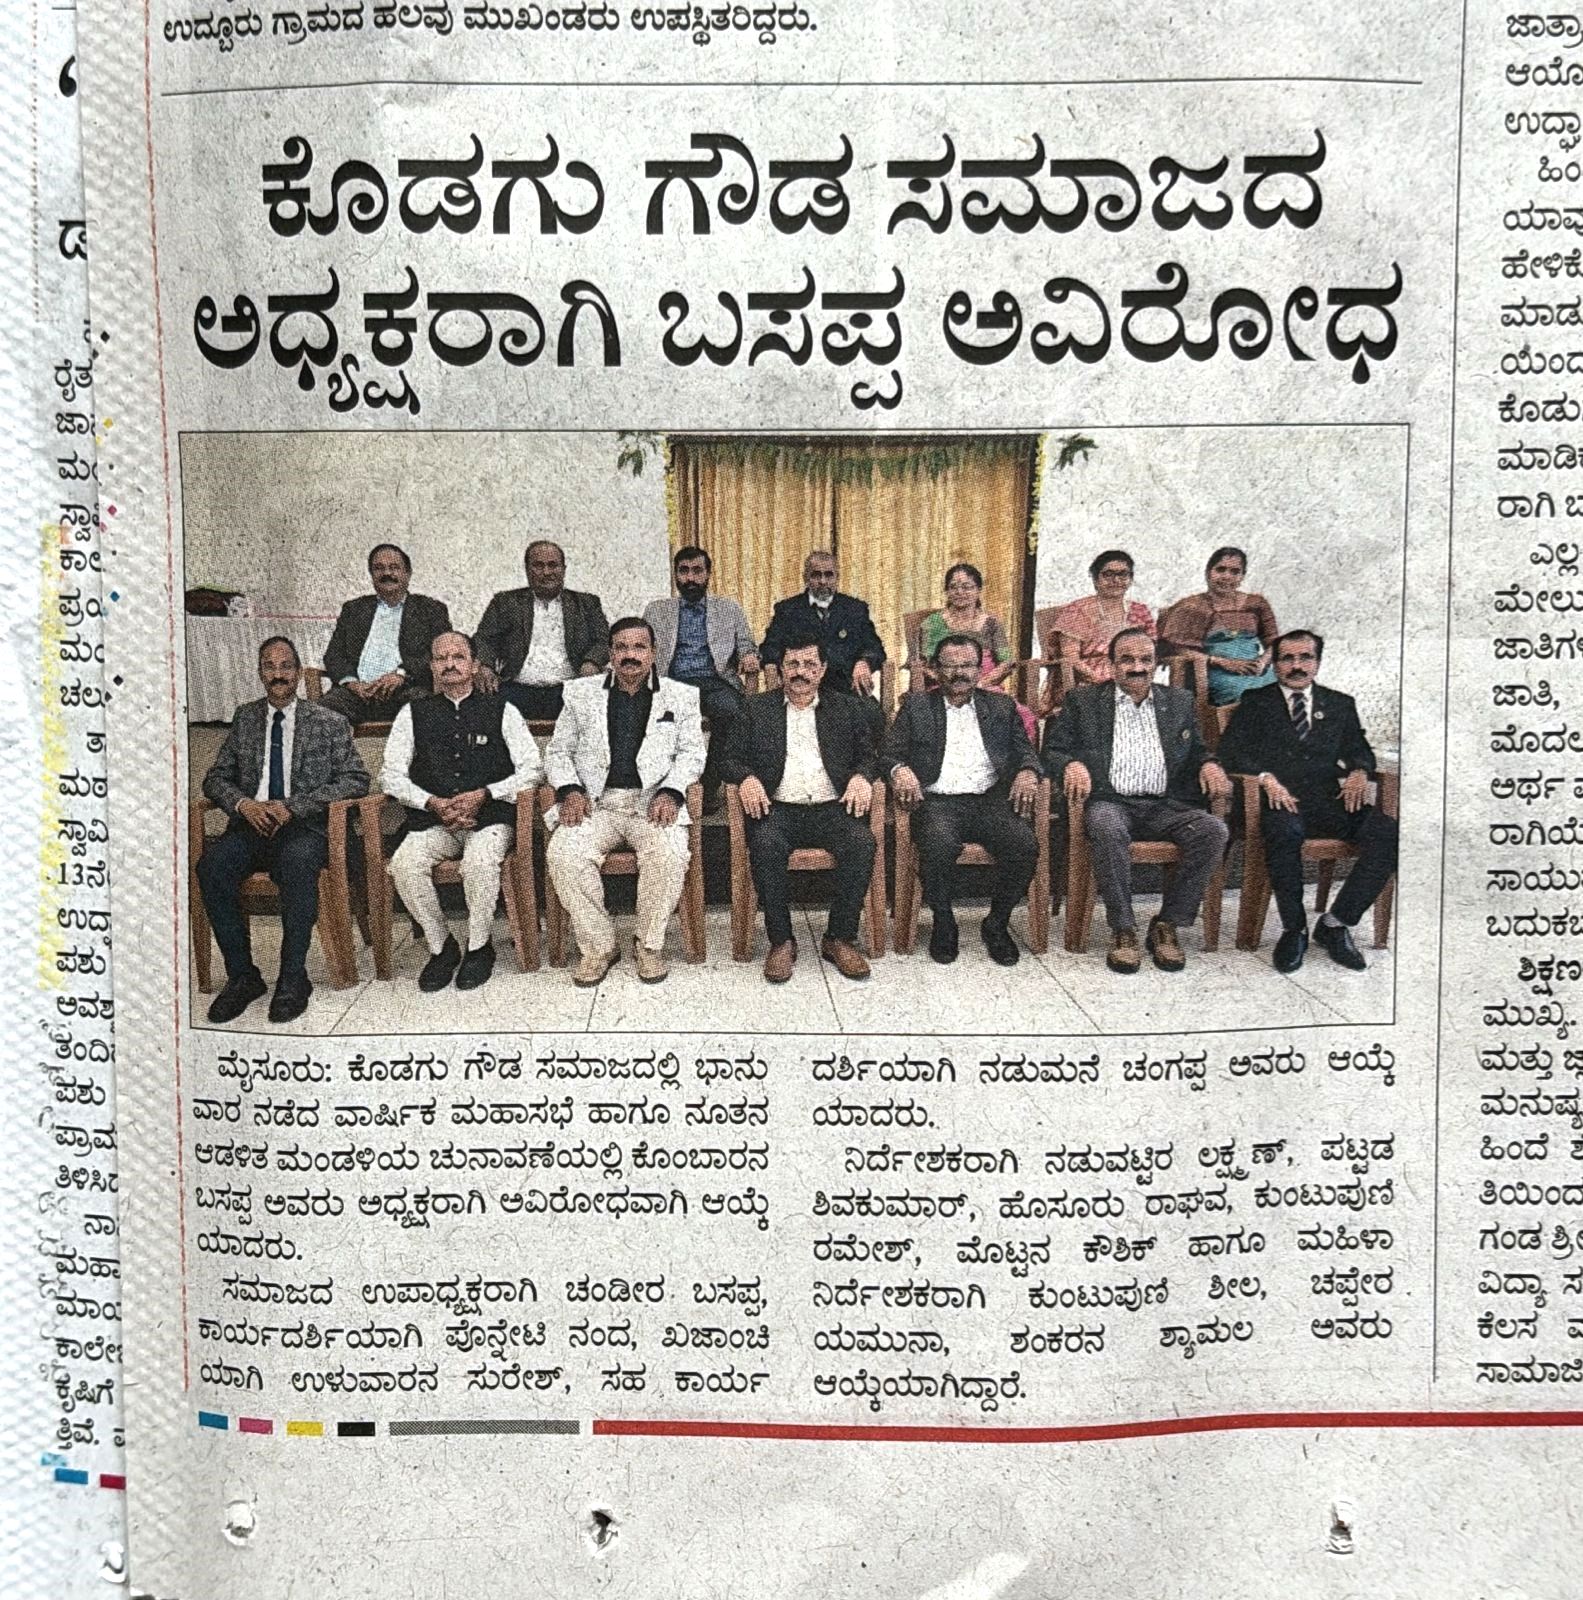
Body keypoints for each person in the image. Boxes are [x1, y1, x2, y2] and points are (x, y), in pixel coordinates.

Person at [196, 636, 370, 1023]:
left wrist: (293, 807)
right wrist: (244, 804)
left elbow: (356, 779)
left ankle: (293, 977)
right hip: (252, 826)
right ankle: (243, 976)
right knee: (212, 866)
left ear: (298, 671)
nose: (278, 674)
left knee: (297, 861)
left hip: (304, 828)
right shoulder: (246, 718)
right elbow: (216, 778)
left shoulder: (328, 721)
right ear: (260, 673)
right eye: (270, 667)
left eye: (286, 666)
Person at [1043, 627, 1230, 974]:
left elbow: (1198, 751)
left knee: (1213, 831)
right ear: (1112, 664)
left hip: (1167, 805)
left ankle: (1167, 924)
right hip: (1110, 801)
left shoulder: (1179, 701)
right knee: (1105, 826)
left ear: (1156, 663)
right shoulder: (1084, 701)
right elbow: (1052, 750)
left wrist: (1209, 765)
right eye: (1127, 659)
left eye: (1145, 659)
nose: (1137, 667)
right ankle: (1123, 929)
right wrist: (1070, 764)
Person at [1216, 629, 1398, 973]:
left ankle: (1336, 923)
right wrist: (1265, 779)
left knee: (1389, 834)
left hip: (1328, 802)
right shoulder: (1256, 702)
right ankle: (1294, 929)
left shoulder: (1340, 704)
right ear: (1275, 664)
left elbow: (1359, 749)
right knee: (1285, 833)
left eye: (1305, 657)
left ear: (1317, 662)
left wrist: (1359, 771)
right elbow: (1230, 753)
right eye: (1287, 658)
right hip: (1277, 803)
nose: (1296, 666)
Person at [545, 618, 707, 987]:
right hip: (596, 802)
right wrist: (569, 789)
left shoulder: (681, 695)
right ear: (610, 653)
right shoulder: (580, 694)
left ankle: (648, 944)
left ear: (653, 652)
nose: (630, 655)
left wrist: (672, 791)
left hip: (651, 802)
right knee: (564, 854)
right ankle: (599, 946)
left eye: (639, 647)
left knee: (669, 853)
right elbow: (557, 752)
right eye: (621, 647)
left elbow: (692, 754)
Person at [381, 632, 543, 993]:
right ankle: (441, 946)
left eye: (458, 657)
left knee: (480, 862)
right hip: (434, 818)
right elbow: (390, 775)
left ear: (474, 665)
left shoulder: (503, 709)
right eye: (441, 658)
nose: (450, 665)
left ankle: (479, 946)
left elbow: (533, 768)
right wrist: (431, 803)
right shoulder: (413, 713)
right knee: (404, 864)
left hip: (490, 818)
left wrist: (486, 794)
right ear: (431, 667)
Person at [721, 628, 878, 983]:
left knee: (862, 842)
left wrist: (862, 776)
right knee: (765, 844)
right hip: (777, 809)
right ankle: (782, 941)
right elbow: (728, 759)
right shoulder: (755, 709)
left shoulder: (847, 708)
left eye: (809, 664)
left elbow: (870, 756)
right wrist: (746, 777)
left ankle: (839, 938)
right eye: (792, 664)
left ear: (823, 670)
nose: (800, 672)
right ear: (780, 668)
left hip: (832, 807)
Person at [886, 633, 1042, 966]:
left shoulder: (1000, 706)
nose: (960, 673)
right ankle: (944, 922)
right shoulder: (916, 707)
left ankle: (996, 923)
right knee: (938, 844)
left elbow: (1025, 751)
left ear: (979, 668)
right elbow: (889, 753)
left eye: (968, 665)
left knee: (1024, 845)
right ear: (934, 670)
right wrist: (900, 769)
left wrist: (1029, 771)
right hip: (938, 802)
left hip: (990, 800)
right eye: (951, 666)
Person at [643, 545, 760, 802]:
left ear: (708, 574)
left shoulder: (729, 609)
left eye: (697, 571)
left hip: (714, 682)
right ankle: (668, 788)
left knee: (732, 712)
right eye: (684, 571)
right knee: (661, 719)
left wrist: (749, 656)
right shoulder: (656, 610)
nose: (690, 578)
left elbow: (746, 645)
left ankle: (707, 788)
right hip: (671, 682)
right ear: (675, 575)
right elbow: (642, 645)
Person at [472, 539, 609, 721]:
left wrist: (591, 662)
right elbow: (483, 639)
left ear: (563, 569)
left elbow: (604, 641)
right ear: (527, 569)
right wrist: (485, 666)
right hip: (516, 688)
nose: (546, 572)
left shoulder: (586, 604)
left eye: (553, 565)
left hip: (570, 687)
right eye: (538, 566)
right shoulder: (505, 602)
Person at [317, 542, 452, 724]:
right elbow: (334, 655)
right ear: (371, 574)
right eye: (379, 568)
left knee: (426, 708)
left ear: (408, 573)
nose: (387, 573)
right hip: (357, 694)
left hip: (406, 690)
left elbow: (442, 653)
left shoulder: (430, 610)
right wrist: (351, 683)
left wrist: (402, 675)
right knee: (319, 714)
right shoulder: (354, 610)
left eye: (394, 567)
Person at [760, 550, 887, 739]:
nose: (822, 581)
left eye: (829, 575)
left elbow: (875, 647)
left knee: (872, 714)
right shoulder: (788, 610)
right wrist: (782, 670)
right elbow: (769, 648)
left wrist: (865, 662)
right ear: (805, 578)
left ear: (837, 577)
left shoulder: (855, 609)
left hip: (844, 688)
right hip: (801, 687)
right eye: (816, 575)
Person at [1160, 546, 1280, 706]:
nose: (1226, 577)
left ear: (1242, 576)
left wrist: (1263, 662)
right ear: (1208, 572)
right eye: (1220, 569)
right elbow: (1176, 649)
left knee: (1283, 689)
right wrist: (1223, 663)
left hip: (1254, 670)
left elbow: (1274, 643)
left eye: (1235, 572)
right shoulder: (1191, 607)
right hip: (1214, 673)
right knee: (1245, 694)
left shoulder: (1257, 603)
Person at [1042, 548, 1156, 711]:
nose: (1116, 580)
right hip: (1086, 680)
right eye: (1108, 574)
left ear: (1130, 579)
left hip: (1132, 675)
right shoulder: (1078, 611)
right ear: (1096, 579)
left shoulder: (1140, 611)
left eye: (1123, 574)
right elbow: (1071, 659)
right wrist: (1105, 683)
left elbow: (1150, 652)